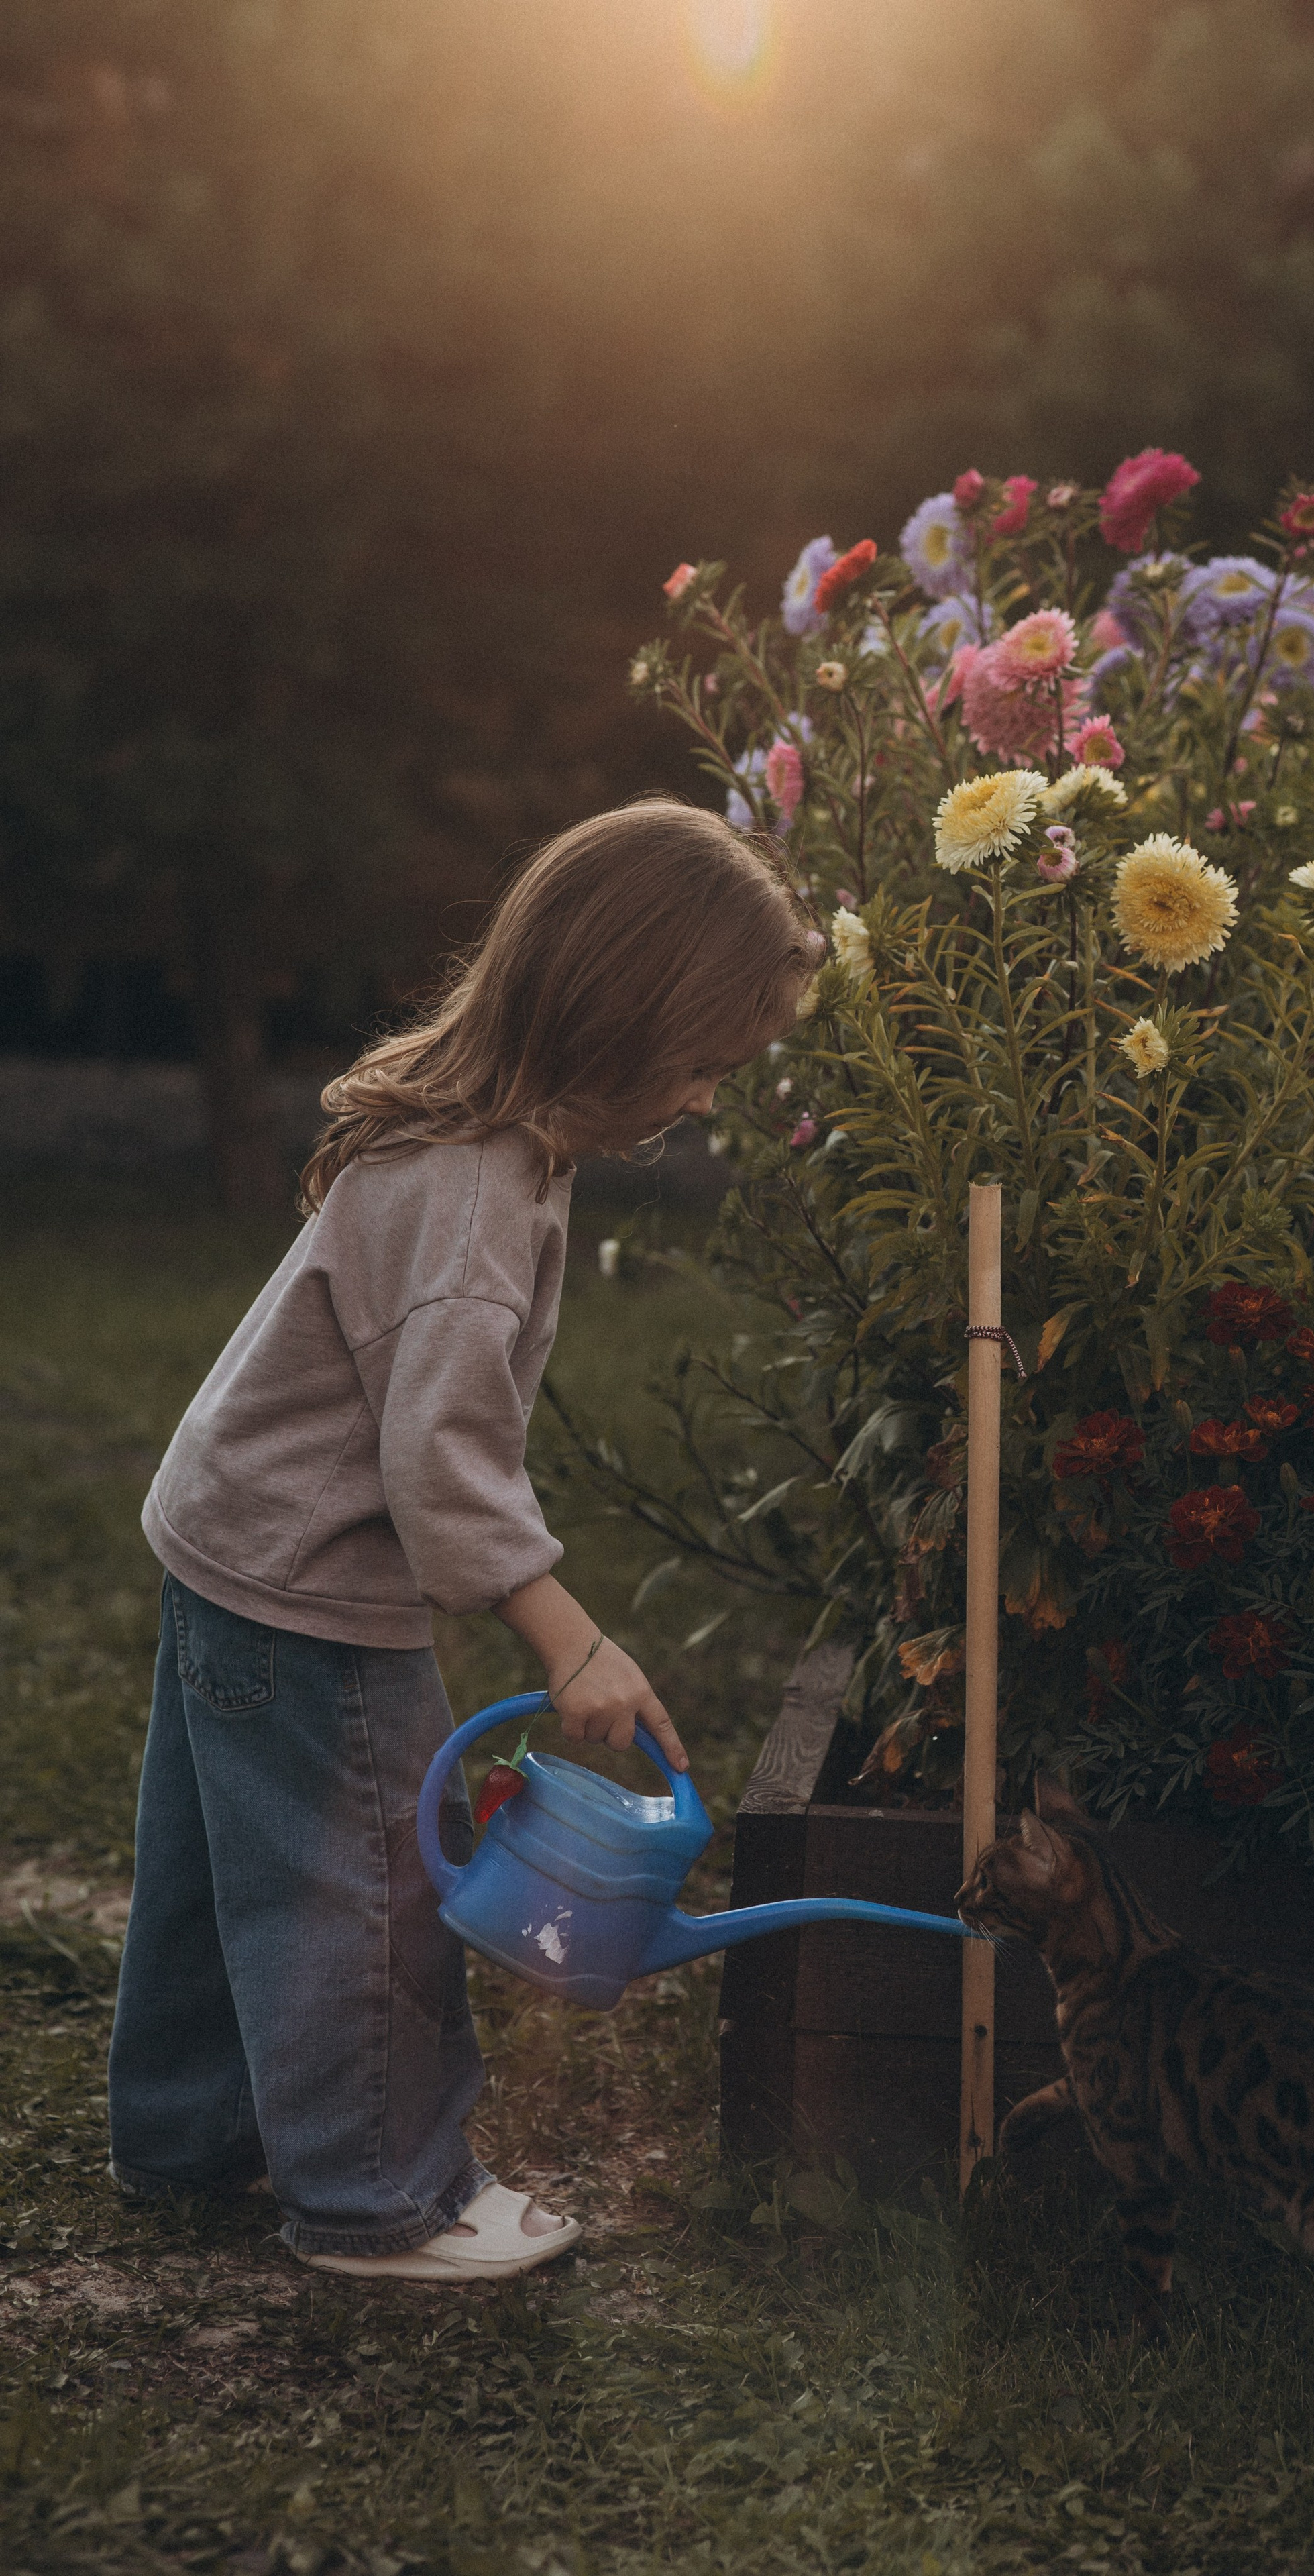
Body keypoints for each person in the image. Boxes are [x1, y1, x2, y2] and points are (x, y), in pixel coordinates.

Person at [107, 802, 819, 2280]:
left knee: (217, 1872)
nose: (696, 1103)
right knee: (369, 1898)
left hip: (227, 1551)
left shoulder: (480, 1140)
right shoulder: (478, 1196)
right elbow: (438, 1464)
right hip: (309, 1590)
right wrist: (567, 1634)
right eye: (697, 1064)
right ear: (614, 1021)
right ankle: (377, 2200)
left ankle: (186, 2137)